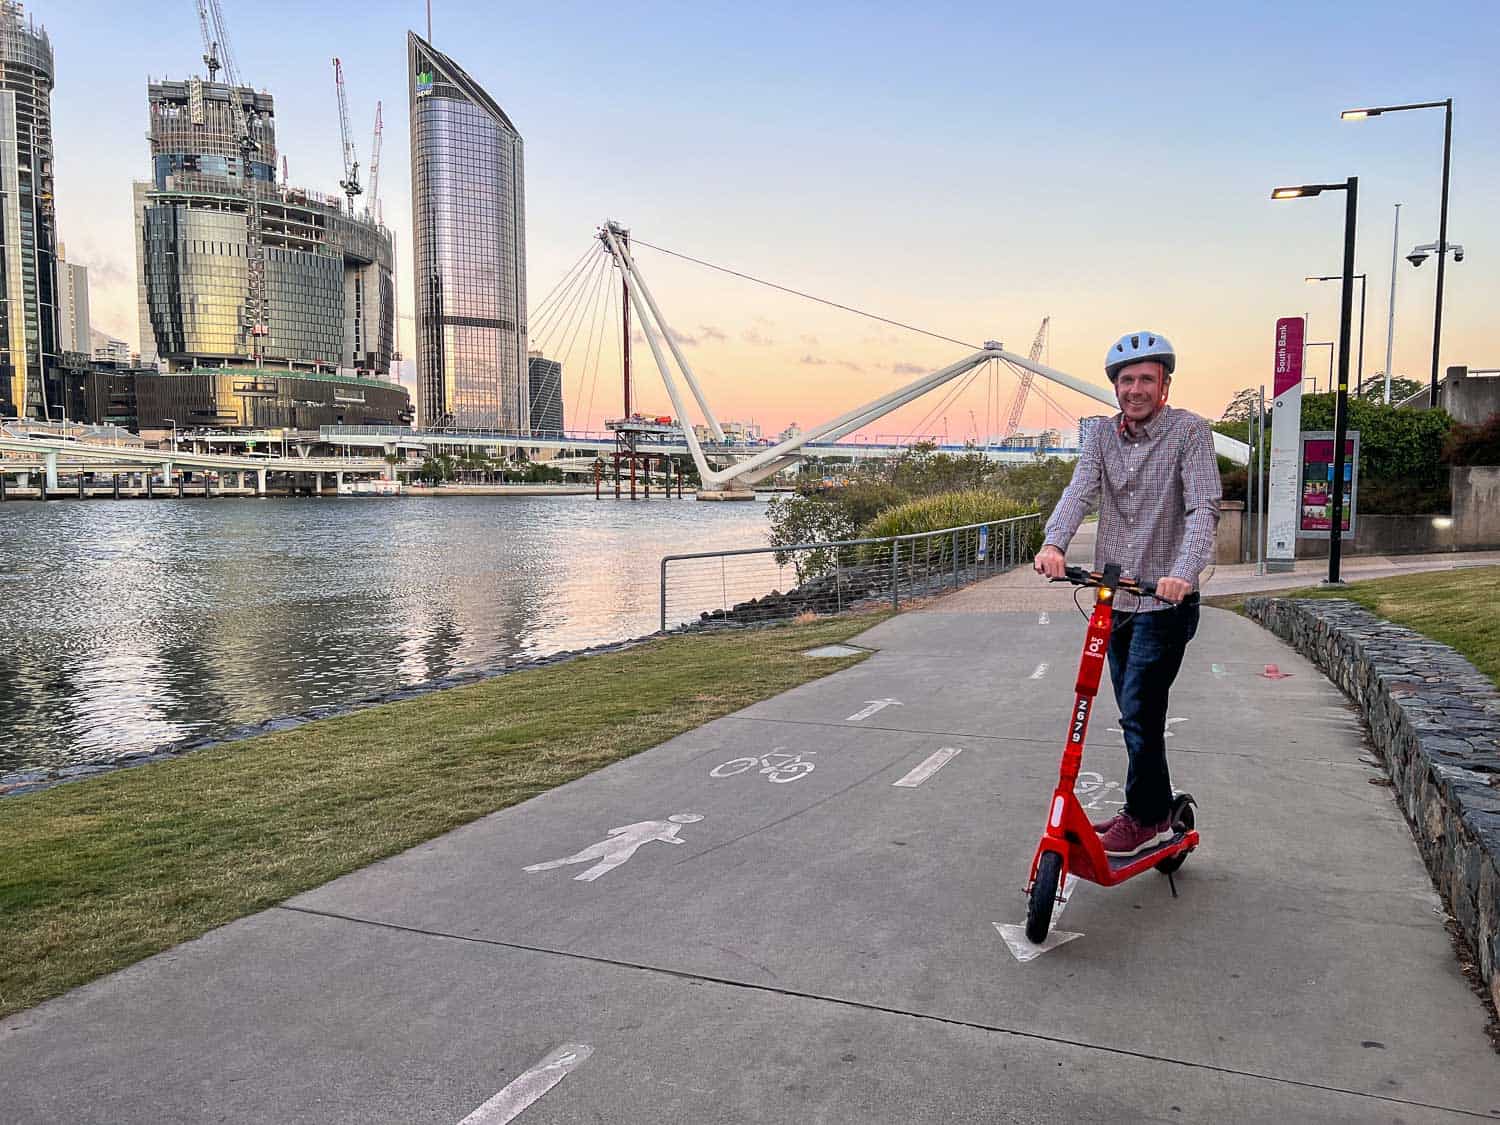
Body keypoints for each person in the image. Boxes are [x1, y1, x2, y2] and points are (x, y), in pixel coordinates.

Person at [1033, 331, 1221, 858]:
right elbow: (1080, 490)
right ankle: (1152, 805)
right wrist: (1054, 543)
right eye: (1126, 380)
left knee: (1139, 711)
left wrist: (1183, 572)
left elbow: (1202, 508)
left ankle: (1144, 818)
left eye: (1146, 379)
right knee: (1127, 709)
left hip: (1164, 602)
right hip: (1113, 598)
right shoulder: (1099, 436)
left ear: (1164, 384)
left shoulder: (1189, 432)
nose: (1135, 389)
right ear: (1115, 387)